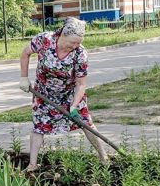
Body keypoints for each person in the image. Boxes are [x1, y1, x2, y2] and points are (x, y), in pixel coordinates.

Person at [19, 17, 108, 171]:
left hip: (69, 93)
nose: (76, 45)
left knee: (86, 123)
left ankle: (104, 157)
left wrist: (74, 106)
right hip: (43, 93)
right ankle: (33, 164)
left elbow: (81, 84)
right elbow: (25, 53)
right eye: (73, 42)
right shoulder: (45, 40)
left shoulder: (80, 53)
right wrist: (24, 78)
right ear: (63, 35)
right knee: (39, 126)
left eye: (79, 42)